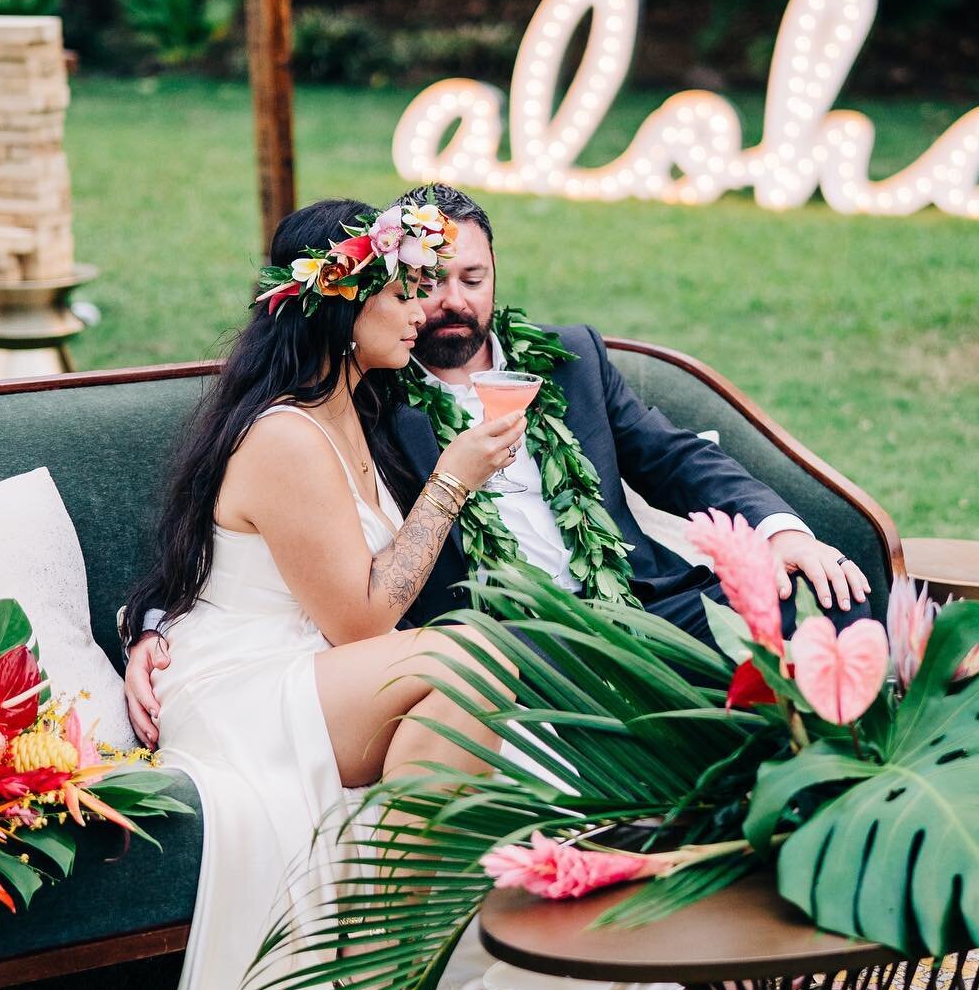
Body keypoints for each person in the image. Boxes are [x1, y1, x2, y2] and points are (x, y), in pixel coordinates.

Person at [123, 195, 692, 990]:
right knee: (466, 659)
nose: (426, 309)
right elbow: (362, 621)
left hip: (320, 674)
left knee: (468, 694)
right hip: (252, 686)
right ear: (344, 306)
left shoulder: (367, 403)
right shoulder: (285, 435)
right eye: (405, 292)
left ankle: (399, 972)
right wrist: (454, 480)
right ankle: (372, 988)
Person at [126, 184, 873, 748]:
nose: (444, 304)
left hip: (635, 607)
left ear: (495, 278)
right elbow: (257, 530)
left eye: (471, 280)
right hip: (506, 635)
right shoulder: (371, 393)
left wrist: (782, 533)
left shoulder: (571, 360)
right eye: (428, 281)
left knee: (823, 601)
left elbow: (675, 458)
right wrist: (157, 628)